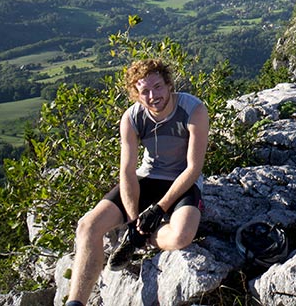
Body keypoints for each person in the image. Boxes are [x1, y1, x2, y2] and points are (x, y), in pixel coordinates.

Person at [64, 59, 209, 306]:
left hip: (182, 181)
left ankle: (143, 237)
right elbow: (128, 172)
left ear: (169, 85)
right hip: (147, 178)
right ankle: (75, 302)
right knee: (87, 226)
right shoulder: (132, 118)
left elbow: (194, 168)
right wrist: (133, 220)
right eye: (145, 91)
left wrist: (158, 209)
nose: (153, 96)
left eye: (158, 87)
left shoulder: (193, 110)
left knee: (181, 236)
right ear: (136, 95)